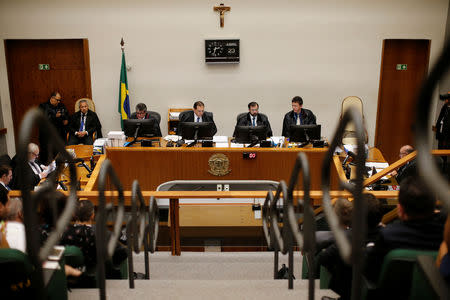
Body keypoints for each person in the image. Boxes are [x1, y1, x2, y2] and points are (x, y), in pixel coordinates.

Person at [365, 176, 446, 283]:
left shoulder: (388, 236)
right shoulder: (445, 235)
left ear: (400, 209)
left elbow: (370, 274)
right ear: (434, 207)